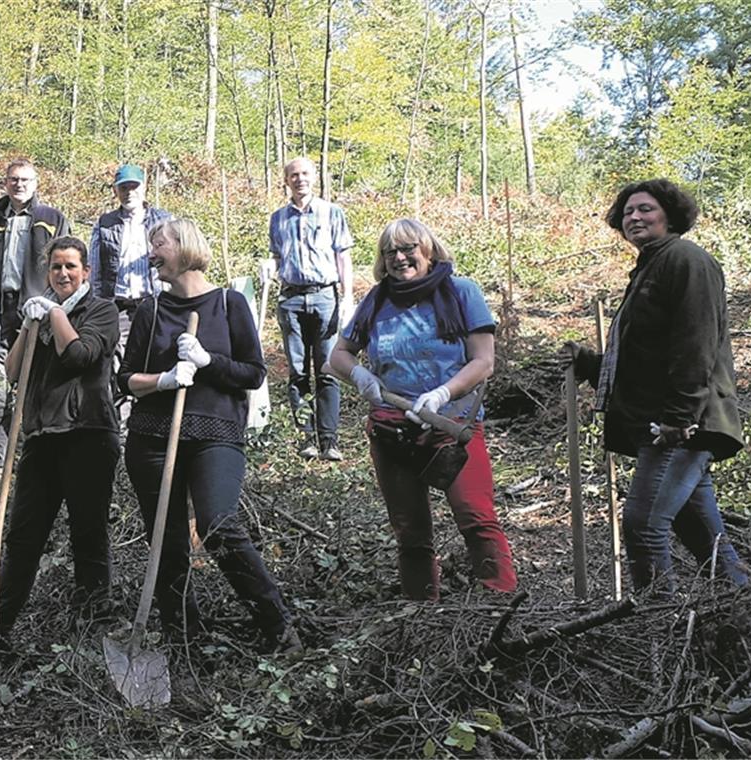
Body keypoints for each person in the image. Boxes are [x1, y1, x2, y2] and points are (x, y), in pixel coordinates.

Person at [118, 218, 296, 650]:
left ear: (185, 247)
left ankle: (277, 624)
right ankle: (184, 640)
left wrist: (207, 361)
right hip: (152, 439)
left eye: (158, 244)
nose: (151, 253)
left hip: (217, 433)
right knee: (167, 539)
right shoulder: (151, 310)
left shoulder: (229, 304)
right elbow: (126, 381)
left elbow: (253, 374)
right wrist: (163, 379)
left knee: (217, 522)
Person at [566, 180, 747, 592]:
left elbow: (695, 344)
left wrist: (679, 419)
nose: (634, 217)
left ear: (670, 215)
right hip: (664, 422)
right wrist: (589, 364)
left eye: (645, 209)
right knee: (703, 533)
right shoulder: (651, 266)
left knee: (643, 526)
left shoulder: (686, 260)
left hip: (683, 426)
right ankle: (742, 609)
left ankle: (655, 625)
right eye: (628, 212)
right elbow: (642, 359)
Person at [326, 218, 517, 601]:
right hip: (391, 428)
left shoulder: (461, 292)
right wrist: (361, 375)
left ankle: (501, 603)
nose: (400, 257)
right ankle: (422, 614)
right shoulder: (376, 301)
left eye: (408, 248)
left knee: (476, 516)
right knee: (410, 531)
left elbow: (483, 362)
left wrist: (443, 393)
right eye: (390, 252)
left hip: (452, 424)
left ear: (428, 249)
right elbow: (339, 355)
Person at [0, 236, 120, 643]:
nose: (62, 274)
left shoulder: (101, 310)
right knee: (23, 535)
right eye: (55, 267)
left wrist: (53, 315)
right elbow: (12, 373)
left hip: (87, 435)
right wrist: (30, 326)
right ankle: (0, 624)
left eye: (70, 266)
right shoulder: (37, 315)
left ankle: (92, 626)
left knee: (88, 532)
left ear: (86, 271)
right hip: (41, 437)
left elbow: (79, 356)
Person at [0, 158, 70, 478]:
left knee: (37, 382)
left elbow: (66, 266)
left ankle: (35, 457)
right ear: (5, 182)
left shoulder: (51, 219)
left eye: (26, 180)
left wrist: (51, 304)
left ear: (36, 183)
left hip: (37, 311)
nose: (19, 184)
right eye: (14, 179)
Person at [264, 157, 354, 461]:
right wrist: (270, 269)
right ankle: (307, 437)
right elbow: (277, 258)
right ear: (286, 181)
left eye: (304, 174)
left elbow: (344, 258)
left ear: (313, 178)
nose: (299, 179)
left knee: (328, 369)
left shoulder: (332, 213)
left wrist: (348, 298)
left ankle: (330, 440)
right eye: (293, 175)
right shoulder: (278, 218)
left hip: (325, 297)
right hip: (290, 300)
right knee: (298, 371)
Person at [87, 163, 173, 419]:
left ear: (143, 187)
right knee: (119, 361)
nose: (129, 192)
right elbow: (96, 268)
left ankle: (153, 413)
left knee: (157, 353)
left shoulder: (164, 220)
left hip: (154, 300)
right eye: (123, 188)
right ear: (116, 191)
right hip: (119, 304)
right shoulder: (105, 224)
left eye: (133, 187)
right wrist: (98, 305)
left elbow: (176, 260)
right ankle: (122, 419)